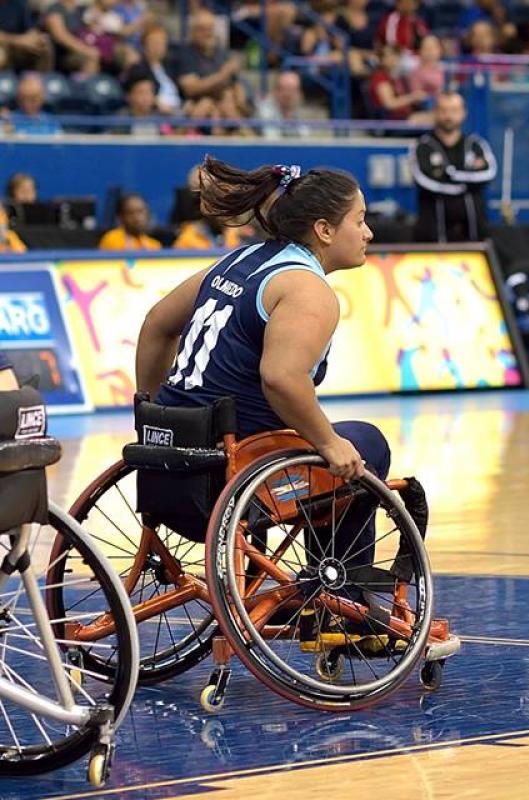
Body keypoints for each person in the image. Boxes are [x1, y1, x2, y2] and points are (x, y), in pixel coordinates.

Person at [133, 156, 441, 644]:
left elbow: (156, 324)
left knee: (328, 442)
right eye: (359, 221)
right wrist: (329, 442)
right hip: (230, 474)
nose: (368, 233)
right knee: (363, 446)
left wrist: (150, 414)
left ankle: (330, 592)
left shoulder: (236, 260)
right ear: (323, 229)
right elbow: (280, 378)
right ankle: (341, 602)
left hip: (167, 463)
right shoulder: (306, 287)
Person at [410, 91, 496, 243]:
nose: (448, 116)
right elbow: (424, 180)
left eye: (454, 110)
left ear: (464, 113)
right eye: (443, 110)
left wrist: (450, 174)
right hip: (433, 238)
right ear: (435, 112)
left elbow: (489, 173)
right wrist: (465, 183)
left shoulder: (475, 144)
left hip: (474, 238)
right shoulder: (423, 146)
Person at [257, 70, 313, 139]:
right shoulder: (264, 111)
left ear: (299, 93)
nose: (288, 94)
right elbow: (273, 142)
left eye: (292, 90)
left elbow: (306, 141)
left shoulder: (299, 113)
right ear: (275, 91)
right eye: (283, 89)